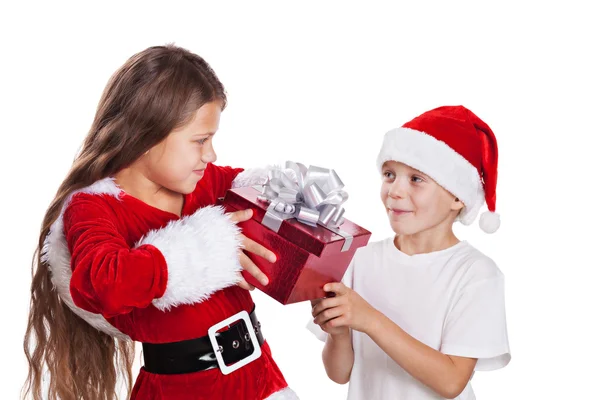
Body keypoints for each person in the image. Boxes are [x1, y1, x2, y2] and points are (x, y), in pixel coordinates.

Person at [23, 44, 298, 400]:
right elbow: (102, 282)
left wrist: (291, 195)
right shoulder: (94, 208)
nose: (210, 155)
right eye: (200, 141)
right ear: (146, 135)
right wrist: (202, 250)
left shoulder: (208, 183)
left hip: (262, 381)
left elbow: (260, 197)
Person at [308, 105, 511, 399]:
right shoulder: (359, 258)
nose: (395, 191)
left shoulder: (476, 273)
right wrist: (339, 333)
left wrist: (369, 319)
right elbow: (339, 374)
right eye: (389, 174)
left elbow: (452, 381)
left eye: (416, 179)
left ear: (457, 196)